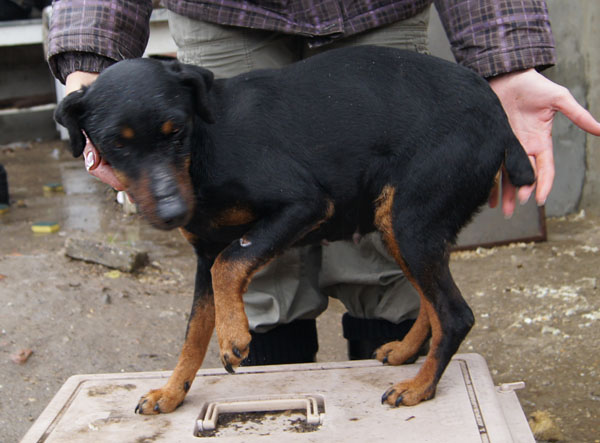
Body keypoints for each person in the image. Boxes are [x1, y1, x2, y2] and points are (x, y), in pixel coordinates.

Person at [47, 1, 600, 365]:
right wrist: (91, 65)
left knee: (393, 249)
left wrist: (509, 57)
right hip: (225, 10)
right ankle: (274, 407)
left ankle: (388, 397)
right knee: (260, 272)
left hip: (376, 7)